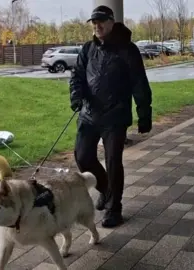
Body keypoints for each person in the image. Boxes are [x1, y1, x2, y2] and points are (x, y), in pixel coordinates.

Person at [69, 5, 153, 228]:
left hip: (115, 117)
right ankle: (106, 191)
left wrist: (144, 114)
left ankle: (114, 208)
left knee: (113, 161)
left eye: (101, 21)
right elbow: (77, 76)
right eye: (94, 22)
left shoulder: (128, 50)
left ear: (112, 22)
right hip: (88, 114)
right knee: (83, 157)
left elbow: (139, 83)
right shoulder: (88, 49)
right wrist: (76, 96)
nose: (97, 25)